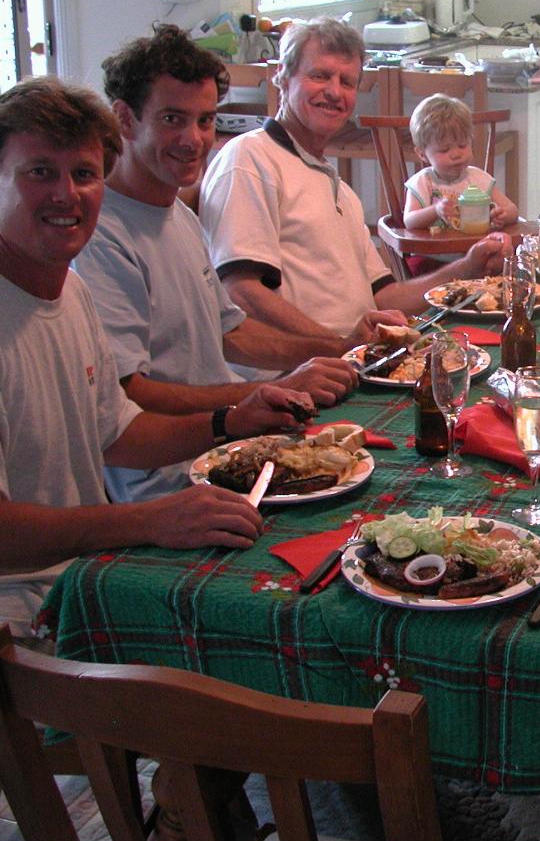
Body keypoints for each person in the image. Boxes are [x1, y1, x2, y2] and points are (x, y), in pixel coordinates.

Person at [0, 76, 306, 638]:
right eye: (40, 172)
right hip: (25, 625)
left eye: (85, 174)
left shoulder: (71, 292)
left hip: (89, 580)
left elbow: (118, 437)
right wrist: (145, 520)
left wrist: (231, 421)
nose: (67, 194)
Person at [67, 26, 369, 502]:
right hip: (170, 483)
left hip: (230, 448)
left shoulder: (177, 216)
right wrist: (248, 403)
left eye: (205, 121)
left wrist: (334, 349)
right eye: (173, 119)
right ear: (124, 119)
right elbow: (131, 393)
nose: (194, 139)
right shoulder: (101, 236)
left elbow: (231, 333)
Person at [199, 17, 508, 344]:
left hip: (356, 361)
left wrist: (468, 266)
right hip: (296, 374)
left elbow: (385, 297)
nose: (334, 91)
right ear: (283, 79)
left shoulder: (340, 190)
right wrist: (343, 349)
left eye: (347, 82)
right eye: (319, 76)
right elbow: (240, 292)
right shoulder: (249, 160)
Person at [403, 92, 518, 232]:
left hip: (477, 248)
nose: (456, 154)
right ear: (422, 154)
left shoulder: (479, 179)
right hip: (432, 252)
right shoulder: (422, 182)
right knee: (416, 256)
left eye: (462, 145)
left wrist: (502, 215)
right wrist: (435, 210)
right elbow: (409, 220)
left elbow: (512, 210)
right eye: (444, 150)